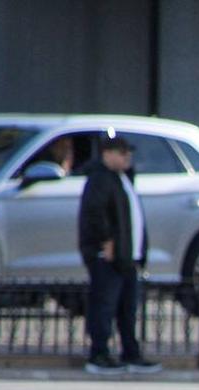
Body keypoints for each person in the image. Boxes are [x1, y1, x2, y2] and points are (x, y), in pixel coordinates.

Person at [77, 132, 160, 375]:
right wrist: (106, 241)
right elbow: (94, 214)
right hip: (110, 257)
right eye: (123, 152)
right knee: (104, 305)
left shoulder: (123, 178)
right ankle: (99, 354)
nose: (128, 157)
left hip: (128, 256)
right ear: (107, 154)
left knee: (127, 308)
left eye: (129, 153)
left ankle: (130, 353)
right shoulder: (100, 179)